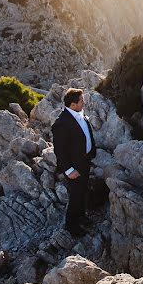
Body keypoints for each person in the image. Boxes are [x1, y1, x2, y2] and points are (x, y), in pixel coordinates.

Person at [51, 88, 97, 236]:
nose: (84, 102)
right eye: (81, 101)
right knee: (75, 195)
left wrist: (91, 154)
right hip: (74, 166)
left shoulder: (80, 115)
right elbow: (60, 150)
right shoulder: (61, 123)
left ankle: (82, 216)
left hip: (85, 161)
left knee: (83, 191)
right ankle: (71, 226)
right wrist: (68, 170)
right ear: (72, 105)